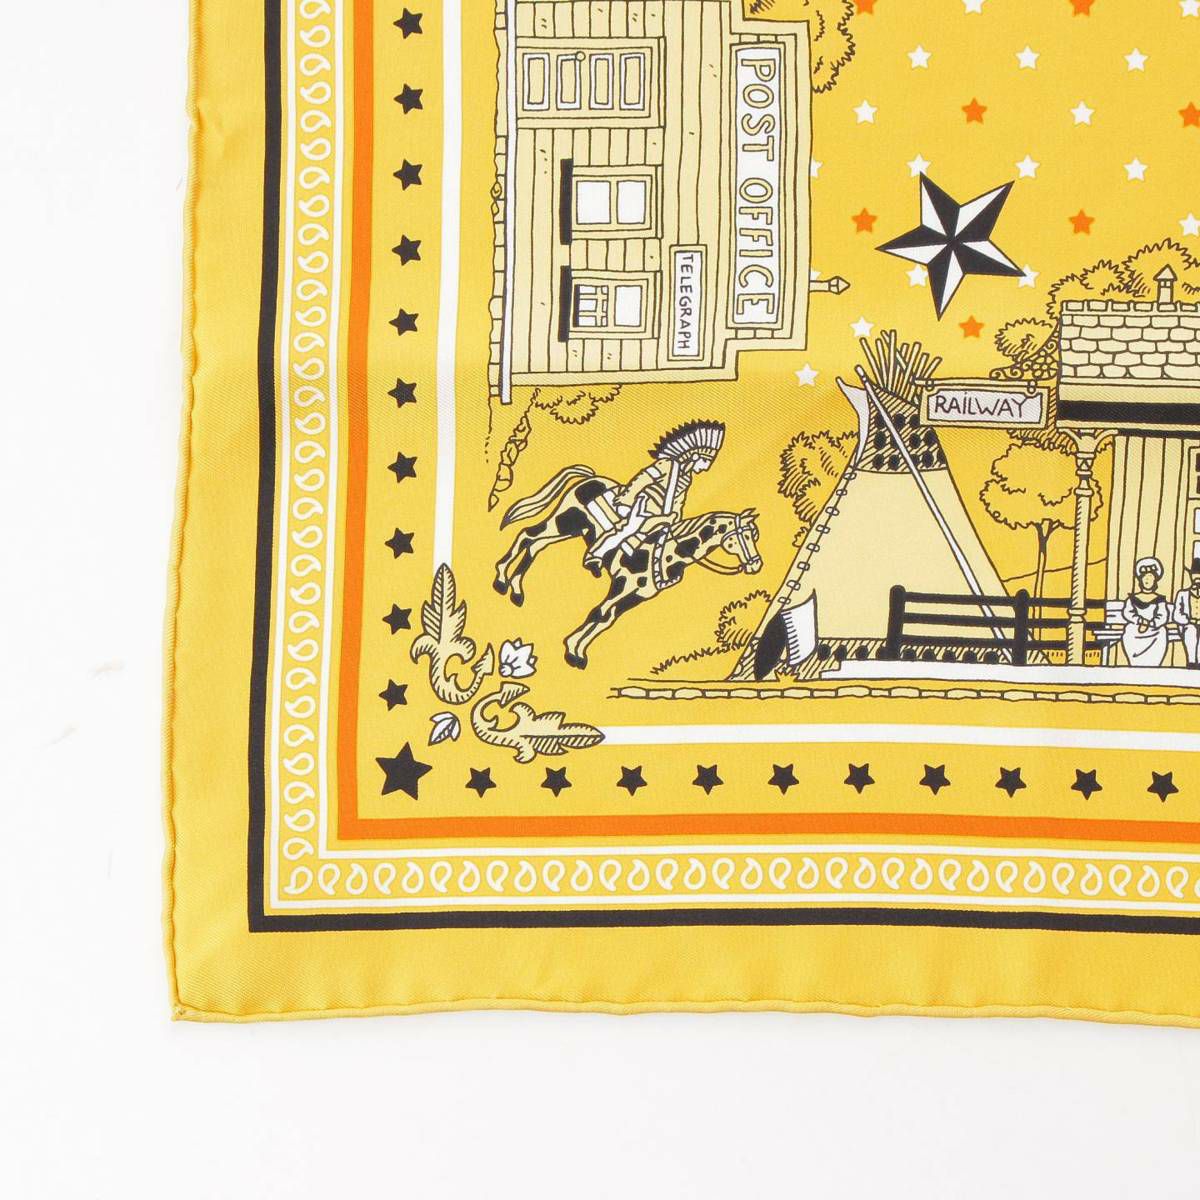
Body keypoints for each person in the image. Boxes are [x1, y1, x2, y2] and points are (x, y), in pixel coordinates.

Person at [583, 420, 725, 574]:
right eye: (706, 461)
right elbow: (643, 479)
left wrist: (675, 518)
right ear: (695, 456)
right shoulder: (666, 464)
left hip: (662, 514)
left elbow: (678, 500)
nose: (705, 467)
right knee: (629, 528)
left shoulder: (687, 478)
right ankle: (594, 556)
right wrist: (627, 498)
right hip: (644, 506)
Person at [1121, 556, 1170, 668]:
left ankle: (1154, 665)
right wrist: (1139, 620)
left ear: (1155, 580)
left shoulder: (1160, 599)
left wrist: (1152, 623)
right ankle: (1134, 664)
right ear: (1140, 580)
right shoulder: (1132, 598)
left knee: (1162, 632)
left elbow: (1162, 615)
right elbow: (1128, 612)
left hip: (1154, 629)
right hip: (1136, 628)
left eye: (1150, 577)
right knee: (1129, 631)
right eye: (1144, 577)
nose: (1147, 580)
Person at [1173, 561, 1200, 669]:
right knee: (1191, 631)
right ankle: (1191, 661)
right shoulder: (1183, 594)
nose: (1197, 577)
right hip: (1188, 625)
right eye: (1195, 575)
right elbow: (1177, 614)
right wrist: (1188, 620)